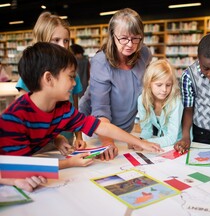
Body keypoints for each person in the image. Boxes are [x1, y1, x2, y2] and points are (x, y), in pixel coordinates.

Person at [0, 42, 162, 191]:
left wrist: (139, 142)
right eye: (70, 76)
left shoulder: (62, 109)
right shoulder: (16, 118)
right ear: (49, 78)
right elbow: (23, 167)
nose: (74, 83)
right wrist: (69, 163)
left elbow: (101, 126)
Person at [79, 8, 152, 160]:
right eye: (124, 38)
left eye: (136, 38)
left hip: (125, 131)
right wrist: (107, 142)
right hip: (97, 132)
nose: (130, 44)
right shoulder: (101, 62)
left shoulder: (144, 54)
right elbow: (100, 110)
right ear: (112, 35)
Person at [15, 12, 86, 150]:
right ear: (42, 41)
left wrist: (79, 137)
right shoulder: (30, 75)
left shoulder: (72, 75)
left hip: (66, 144)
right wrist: (55, 139)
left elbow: (75, 110)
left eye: (66, 40)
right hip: (38, 146)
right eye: (56, 40)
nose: (63, 45)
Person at [134, 59, 183, 148]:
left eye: (168, 85)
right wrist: (140, 141)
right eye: (159, 85)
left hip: (179, 144)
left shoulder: (176, 102)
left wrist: (142, 143)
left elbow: (172, 138)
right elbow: (147, 130)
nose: (164, 90)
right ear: (149, 83)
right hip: (163, 143)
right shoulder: (142, 100)